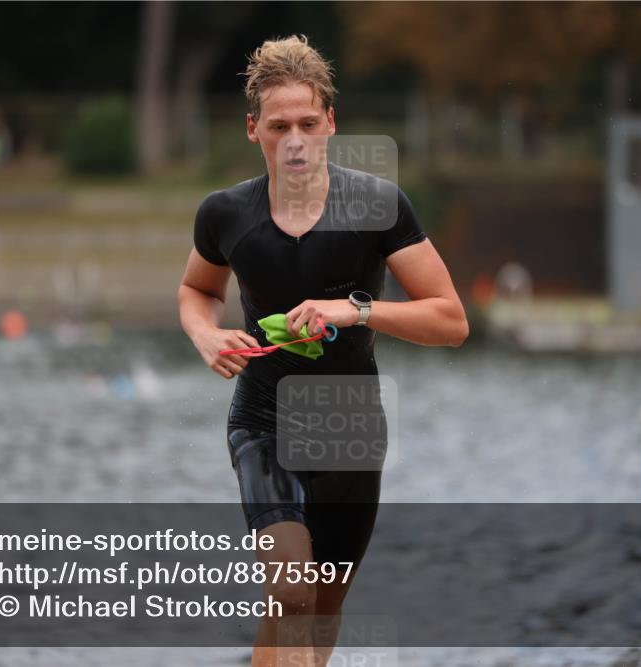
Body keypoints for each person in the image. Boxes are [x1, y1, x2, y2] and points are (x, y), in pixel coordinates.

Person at [177, 35, 468, 667]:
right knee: (291, 591)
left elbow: (451, 321)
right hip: (264, 418)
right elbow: (198, 290)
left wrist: (356, 310)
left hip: (350, 427)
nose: (295, 141)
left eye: (308, 123)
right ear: (253, 129)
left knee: (323, 605)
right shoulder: (225, 214)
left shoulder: (378, 206)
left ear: (331, 122)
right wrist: (206, 334)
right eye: (279, 126)